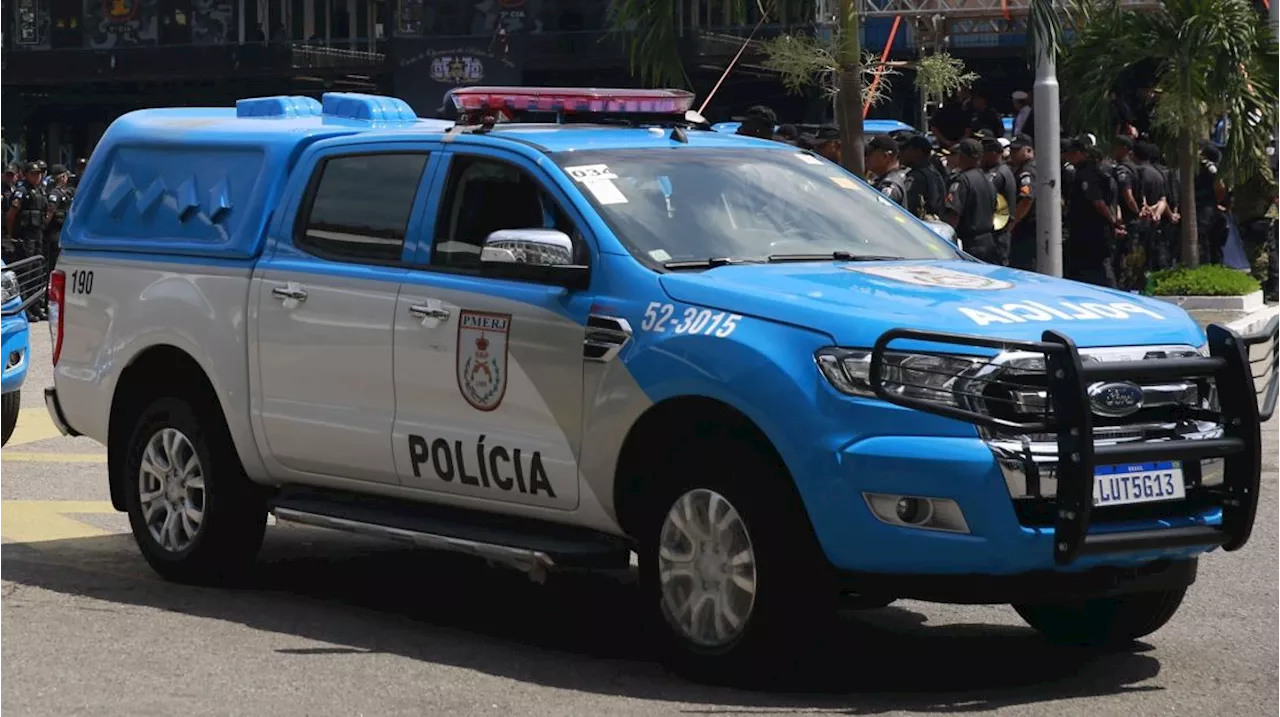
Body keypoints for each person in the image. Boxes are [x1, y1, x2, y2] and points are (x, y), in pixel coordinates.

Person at [1064, 138, 1125, 287]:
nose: (1067, 158)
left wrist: (1113, 221)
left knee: (1100, 268)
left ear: (1079, 153)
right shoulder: (1093, 172)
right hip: (1088, 230)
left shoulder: (1088, 173)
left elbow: (1098, 202)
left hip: (1092, 231)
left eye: (1070, 154)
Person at [5, 161, 50, 319]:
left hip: (37, 236)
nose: (36, 177)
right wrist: (11, 236)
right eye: (33, 174)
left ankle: (35, 305)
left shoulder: (40, 191)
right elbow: (11, 216)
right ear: (26, 175)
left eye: (38, 174)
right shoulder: (21, 191)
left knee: (38, 272)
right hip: (25, 237)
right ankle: (24, 307)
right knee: (26, 272)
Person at [942, 138, 998, 262]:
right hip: (988, 242)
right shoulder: (988, 180)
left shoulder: (962, 181)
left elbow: (953, 215)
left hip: (969, 245)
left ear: (962, 156)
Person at [1108, 135, 1144, 289]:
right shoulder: (1136, 167)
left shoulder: (1122, 170)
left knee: (1122, 259)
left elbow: (1127, 195)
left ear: (1124, 149)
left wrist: (1135, 212)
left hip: (1128, 220)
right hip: (1134, 219)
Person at [979, 134, 1017, 265]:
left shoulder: (998, 174)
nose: (981, 157)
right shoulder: (992, 171)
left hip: (998, 231)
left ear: (994, 153)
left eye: (983, 153)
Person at [1006, 134, 1037, 270]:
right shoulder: (1020, 168)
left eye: (1016, 150)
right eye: (1011, 150)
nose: (1012, 154)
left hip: (1027, 227)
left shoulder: (1028, 171)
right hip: (1024, 227)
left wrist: (1013, 222)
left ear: (1029, 151)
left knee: (1025, 267)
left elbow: (1027, 199)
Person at [1195, 140, 1229, 265]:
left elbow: (1220, 187)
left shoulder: (1209, 167)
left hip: (1205, 209)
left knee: (1204, 242)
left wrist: (1214, 202)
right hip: (1206, 207)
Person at [898, 134, 946, 221]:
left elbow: (907, 206)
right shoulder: (935, 173)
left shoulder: (917, 177)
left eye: (904, 150)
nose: (901, 154)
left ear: (917, 152)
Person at [864, 135, 909, 207]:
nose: (866, 158)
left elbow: (877, 212)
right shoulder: (884, 180)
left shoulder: (889, 186)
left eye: (869, 153)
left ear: (885, 156)